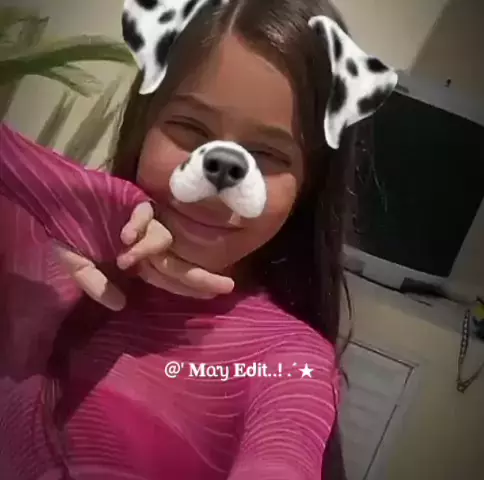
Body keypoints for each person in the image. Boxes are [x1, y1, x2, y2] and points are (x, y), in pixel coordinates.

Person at [0, 0, 396, 478]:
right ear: (146, 121)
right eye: (190, 127)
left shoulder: (289, 363)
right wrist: (72, 202)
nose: (223, 168)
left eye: (271, 154)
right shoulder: (47, 255)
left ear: (308, 184)